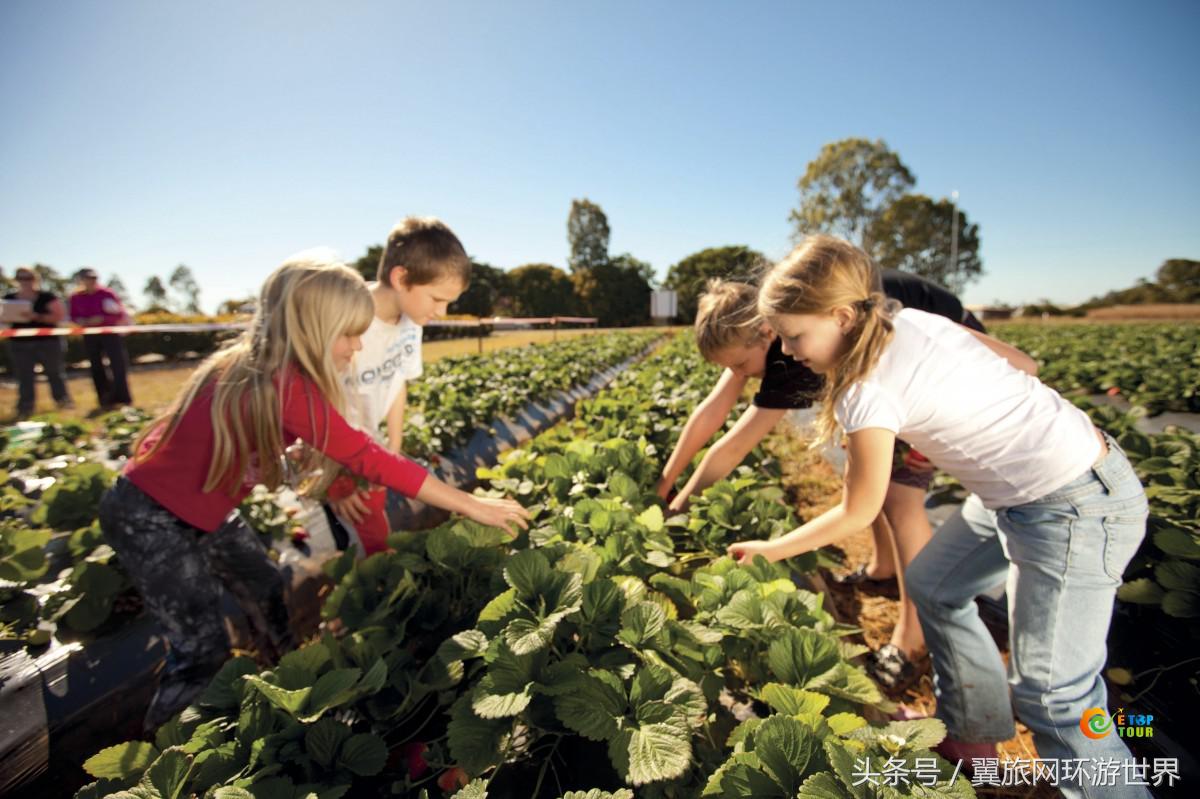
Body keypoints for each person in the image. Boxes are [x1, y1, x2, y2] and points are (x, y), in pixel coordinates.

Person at [727, 235, 1148, 797]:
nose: (786, 349)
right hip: (1025, 493)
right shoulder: (913, 321)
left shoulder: (865, 391)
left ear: (843, 316)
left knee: (1053, 698)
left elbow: (859, 510)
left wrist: (770, 550)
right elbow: (1023, 363)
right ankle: (971, 737)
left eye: (795, 334)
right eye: (779, 335)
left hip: (1071, 505)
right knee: (932, 585)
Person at [98, 253, 530, 732]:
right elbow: (370, 456)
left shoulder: (260, 371)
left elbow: (236, 443)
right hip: (151, 515)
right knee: (202, 645)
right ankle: (172, 744)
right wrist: (470, 504)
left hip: (204, 510)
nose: (356, 345)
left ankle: (283, 679)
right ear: (311, 331)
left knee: (264, 584)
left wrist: (295, 461)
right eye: (347, 333)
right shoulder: (283, 384)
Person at [656, 271, 983, 690]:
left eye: (740, 366)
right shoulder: (772, 330)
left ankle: (912, 638)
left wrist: (680, 504)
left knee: (901, 496)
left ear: (765, 332)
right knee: (865, 471)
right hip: (888, 356)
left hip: (938, 356)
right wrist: (665, 485)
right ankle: (882, 566)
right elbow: (712, 411)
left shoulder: (791, 355)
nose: (739, 375)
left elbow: (733, 448)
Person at [325, 217, 472, 556]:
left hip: (370, 448)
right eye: (437, 299)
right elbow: (316, 406)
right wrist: (334, 481)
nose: (443, 311)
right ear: (402, 278)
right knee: (367, 543)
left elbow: (397, 383)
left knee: (378, 532)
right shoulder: (345, 321)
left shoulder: (412, 321)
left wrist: (393, 445)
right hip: (335, 453)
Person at [4, 267, 73, 418]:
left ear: (35, 279)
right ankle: (25, 407)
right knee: (24, 376)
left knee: (55, 373)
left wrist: (36, 316)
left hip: (48, 341)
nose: (25, 281)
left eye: (28, 278)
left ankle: (63, 402)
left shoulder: (47, 297)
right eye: (21, 278)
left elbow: (59, 316)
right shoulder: (9, 298)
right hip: (20, 343)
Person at [68, 267, 132, 407]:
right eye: (88, 278)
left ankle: (123, 397)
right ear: (81, 280)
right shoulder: (76, 297)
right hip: (90, 334)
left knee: (118, 364)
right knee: (96, 366)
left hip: (110, 333)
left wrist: (102, 318)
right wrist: (83, 321)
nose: (91, 281)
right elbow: (73, 316)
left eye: (94, 278)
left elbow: (119, 313)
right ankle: (104, 398)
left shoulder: (107, 293)